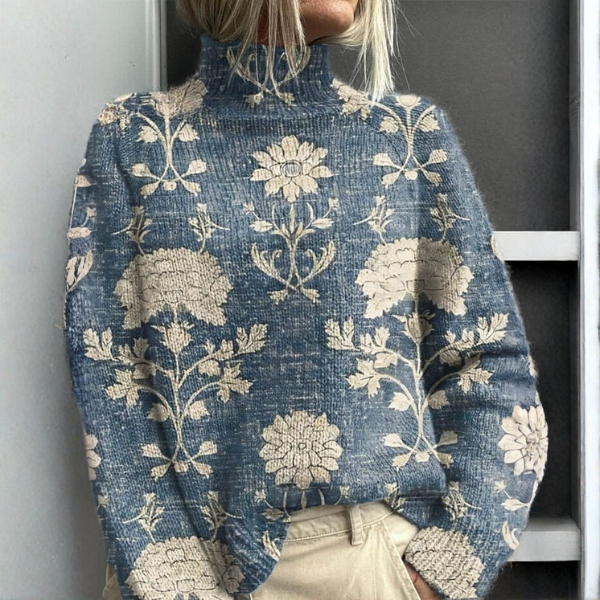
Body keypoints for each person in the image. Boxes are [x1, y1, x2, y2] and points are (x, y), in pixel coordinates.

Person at [64, 0, 548, 599]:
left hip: (368, 564)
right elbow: (110, 375)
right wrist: (173, 584)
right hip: (183, 571)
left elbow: (489, 363)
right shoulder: (134, 138)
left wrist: (438, 571)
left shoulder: (408, 138)